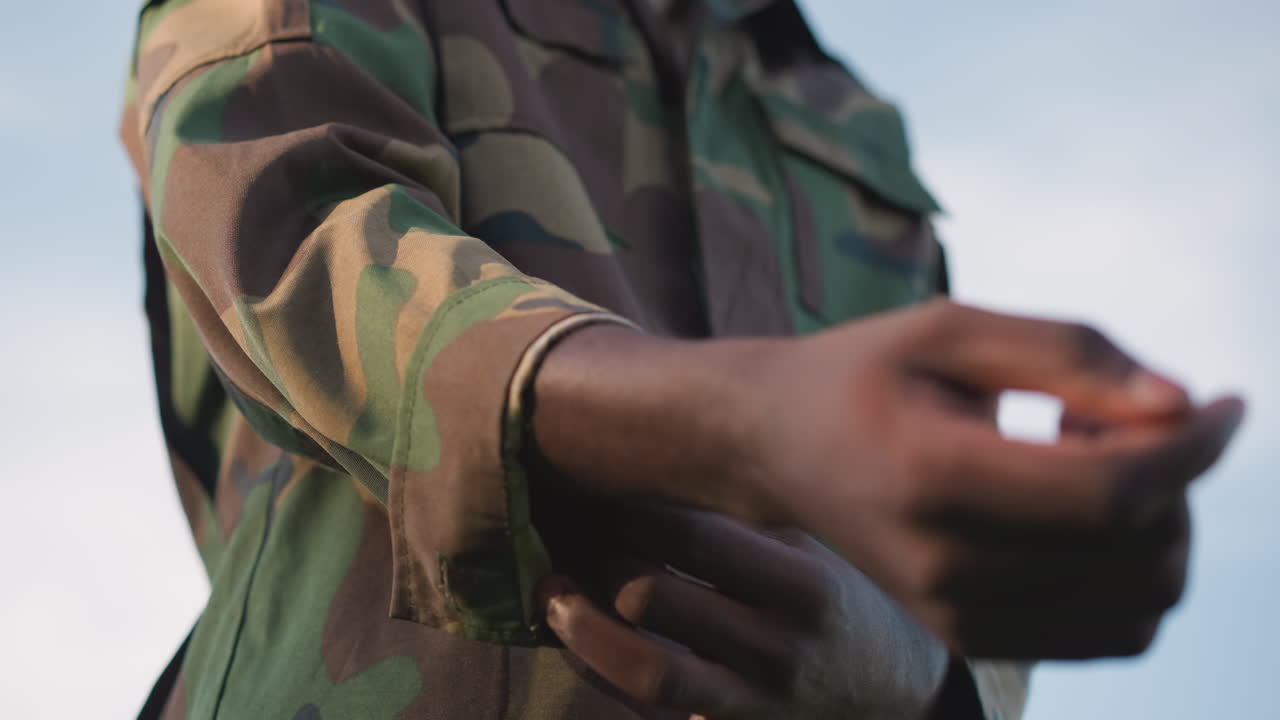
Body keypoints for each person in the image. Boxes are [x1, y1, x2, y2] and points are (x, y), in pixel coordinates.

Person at [119, 0, 1243, 717]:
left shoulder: (842, 113)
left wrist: (934, 669)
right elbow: (283, 224)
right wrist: (743, 426)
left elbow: (927, 609)